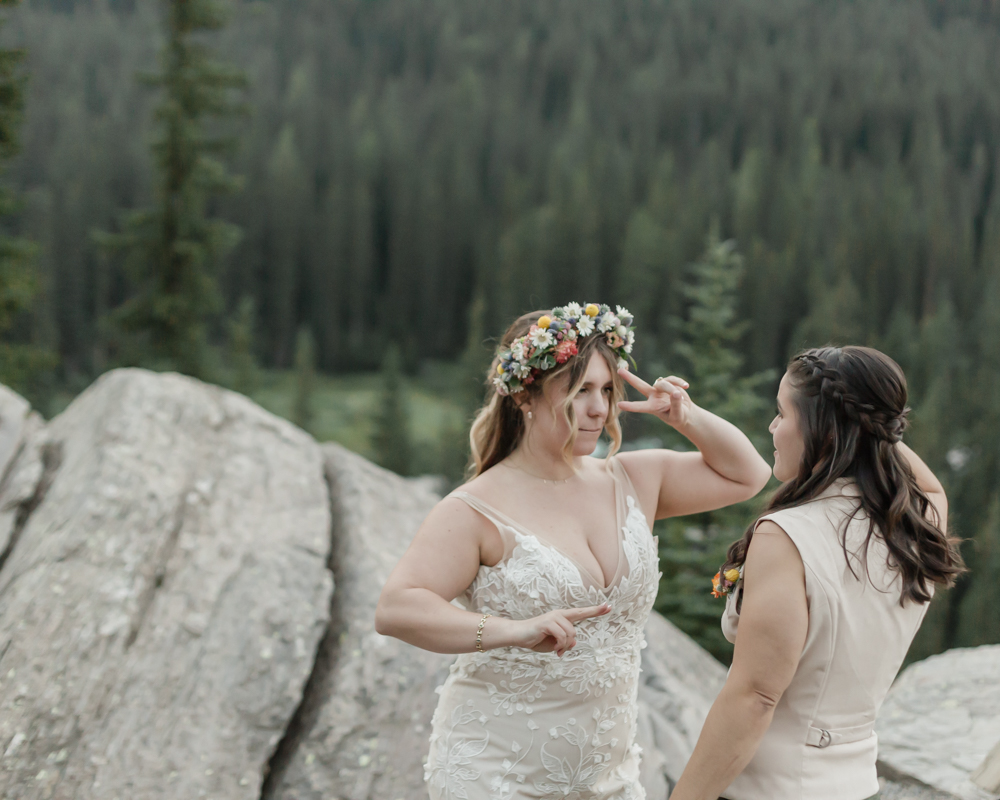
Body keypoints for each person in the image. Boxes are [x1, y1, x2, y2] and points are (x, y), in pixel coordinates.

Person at [375, 303, 772, 800]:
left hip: (609, 774)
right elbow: (396, 608)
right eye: (580, 389)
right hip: (495, 773)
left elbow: (748, 475)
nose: (599, 409)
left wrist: (685, 417)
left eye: (606, 390)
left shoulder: (632, 478)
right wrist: (511, 631)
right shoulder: (476, 507)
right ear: (526, 395)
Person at [668, 346, 966, 800]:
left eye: (782, 413)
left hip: (771, 789)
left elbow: (755, 697)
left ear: (822, 428)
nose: (772, 427)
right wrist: (864, 422)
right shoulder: (916, 526)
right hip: (857, 785)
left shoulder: (787, 536)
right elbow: (929, 485)